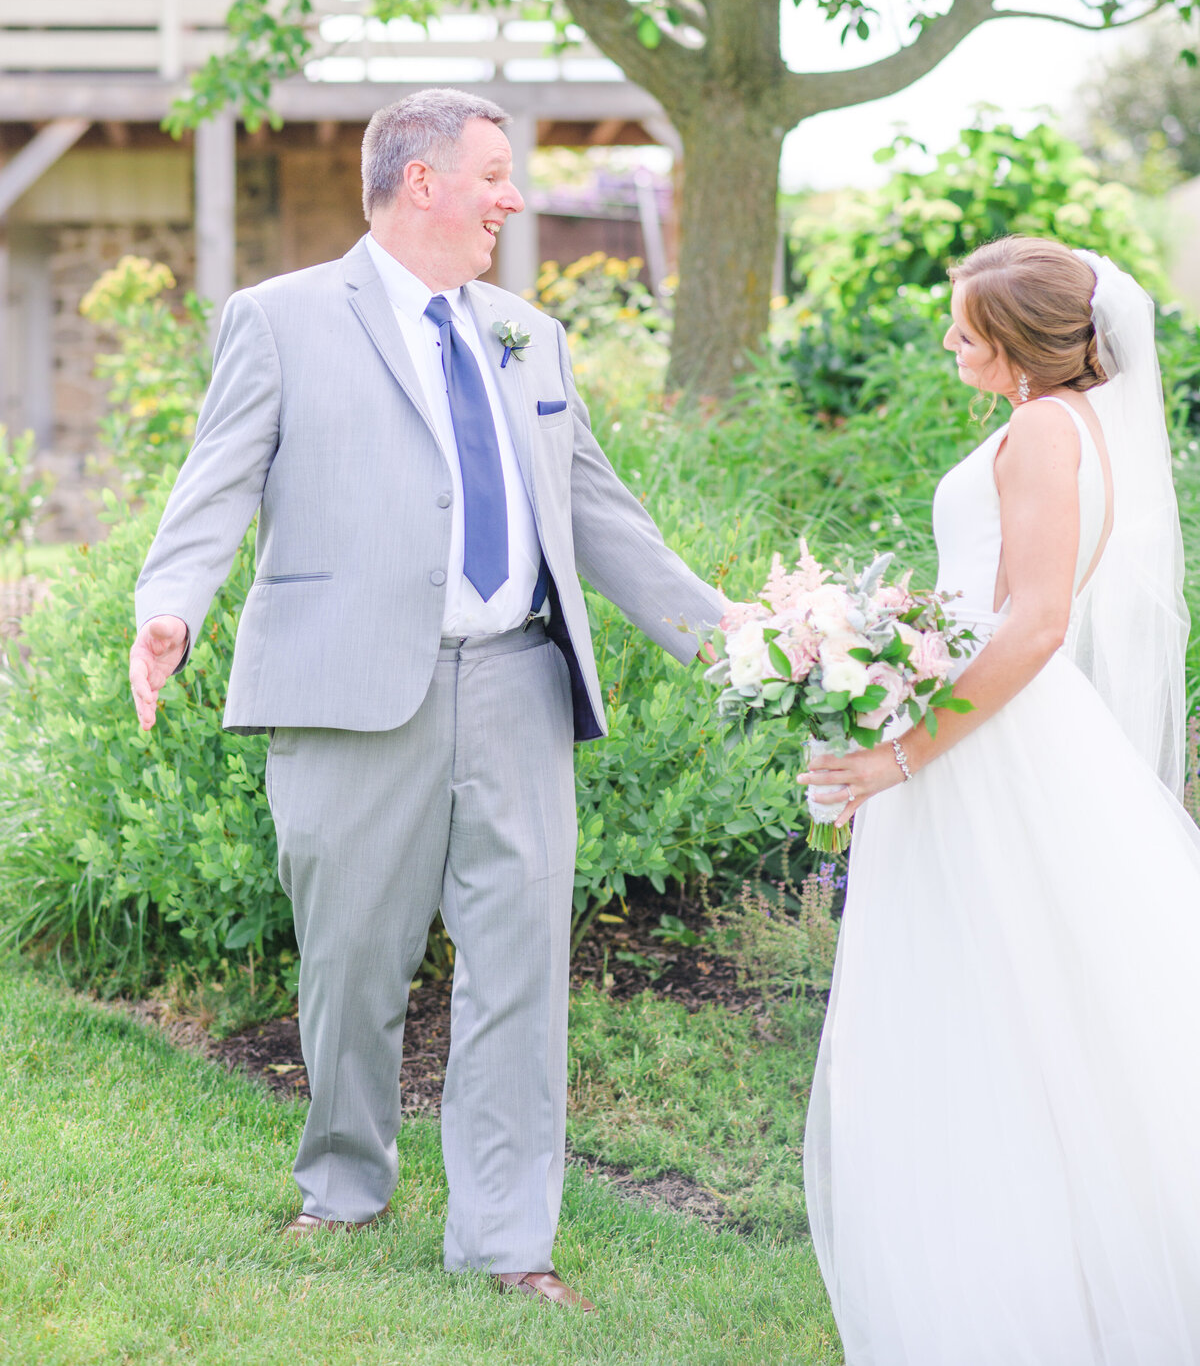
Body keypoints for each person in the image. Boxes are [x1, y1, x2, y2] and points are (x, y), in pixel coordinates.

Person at [128, 88, 721, 1312]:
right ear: (420, 182)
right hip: (350, 695)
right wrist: (172, 603)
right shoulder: (282, 319)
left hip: (517, 687)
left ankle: (509, 1240)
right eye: (496, 173)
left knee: (520, 969)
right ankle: (345, 1184)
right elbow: (215, 482)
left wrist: (734, 639)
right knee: (351, 964)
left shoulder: (530, 335)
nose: (514, 196)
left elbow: (599, 515)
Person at [800, 235, 1200, 1365]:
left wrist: (902, 753)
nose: (946, 340)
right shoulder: (1068, 427)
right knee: (1026, 1003)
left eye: (964, 325)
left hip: (995, 750)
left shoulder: (1038, 429)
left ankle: (1012, 1298)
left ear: (1017, 343)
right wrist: (872, 643)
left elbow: (1032, 622)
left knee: (988, 1002)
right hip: (1004, 731)